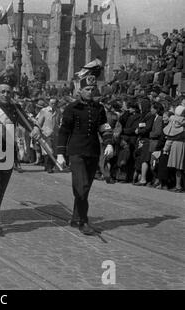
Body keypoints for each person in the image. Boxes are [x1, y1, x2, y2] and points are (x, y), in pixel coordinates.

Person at [0, 71, 41, 236]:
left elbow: (28, 122)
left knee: (0, 188)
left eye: (8, 92)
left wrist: (34, 129)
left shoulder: (16, 109)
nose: (5, 94)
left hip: (9, 154)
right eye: (2, 91)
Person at [56, 60, 114, 236]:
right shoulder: (71, 108)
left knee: (85, 188)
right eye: (87, 89)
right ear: (79, 90)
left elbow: (104, 127)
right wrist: (60, 153)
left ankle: (75, 217)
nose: (90, 92)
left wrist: (109, 142)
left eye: (92, 89)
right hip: (76, 152)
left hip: (93, 152)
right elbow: (64, 131)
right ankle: (84, 221)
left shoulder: (99, 108)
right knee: (81, 186)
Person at [36, 98, 60, 173]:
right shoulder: (44, 111)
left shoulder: (58, 111)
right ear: (49, 103)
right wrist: (38, 130)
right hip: (46, 133)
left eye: (55, 103)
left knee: (55, 151)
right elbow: (39, 121)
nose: (53, 105)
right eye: (52, 103)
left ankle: (49, 166)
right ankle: (48, 167)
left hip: (55, 133)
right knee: (48, 151)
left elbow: (60, 121)